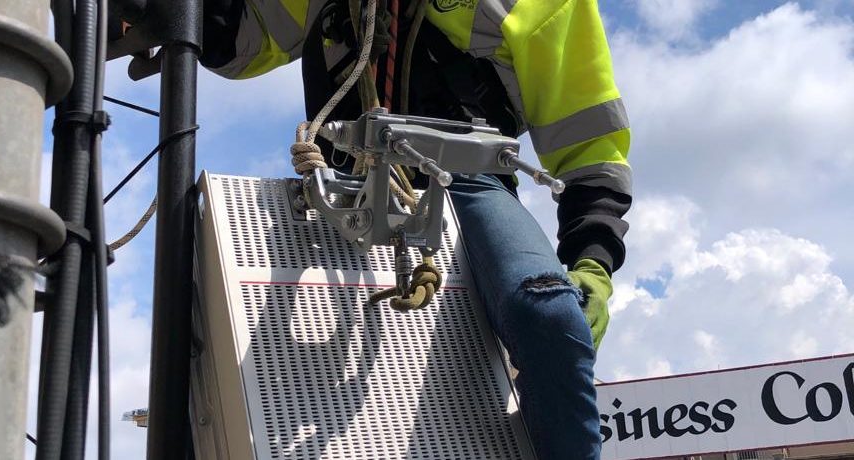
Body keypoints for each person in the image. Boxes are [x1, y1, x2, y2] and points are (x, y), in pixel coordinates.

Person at [200, 0, 631, 457]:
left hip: (468, 182)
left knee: (548, 315)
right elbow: (235, 41)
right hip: (344, 186)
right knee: (226, 338)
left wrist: (592, 261)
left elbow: (589, 143)